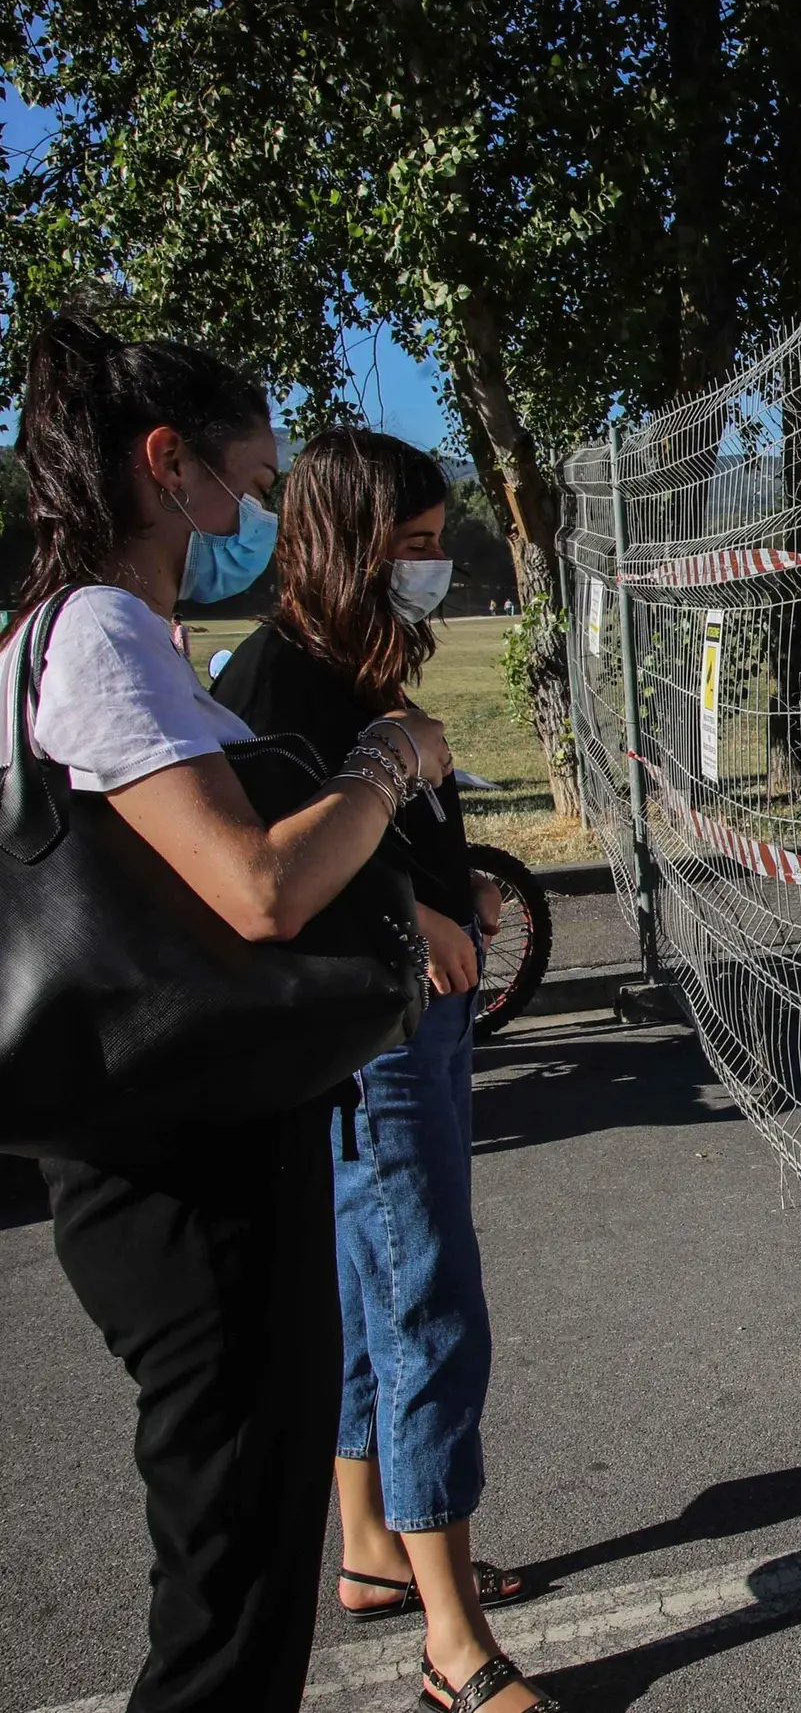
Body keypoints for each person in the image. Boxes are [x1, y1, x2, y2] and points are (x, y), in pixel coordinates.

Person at [1, 315, 451, 1710]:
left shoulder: (55, 633)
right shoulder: (100, 636)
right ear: (165, 467)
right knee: (232, 1593)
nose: (252, 516)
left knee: (233, 1558)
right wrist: (382, 767)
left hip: (153, 1137)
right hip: (186, 1167)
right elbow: (256, 888)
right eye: (245, 484)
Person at [212, 428, 556, 1713]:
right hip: (378, 1036)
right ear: (347, 541)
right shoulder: (277, 682)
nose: (428, 568)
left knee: (374, 1296)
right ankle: (454, 1646)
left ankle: (369, 1547)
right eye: (409, 547)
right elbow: (271, 874)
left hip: (414, 1017)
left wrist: (440, 881)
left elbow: (378, 834)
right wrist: (408, 918)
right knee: (427, 1303)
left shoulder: (348, 664)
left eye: (432, 544)